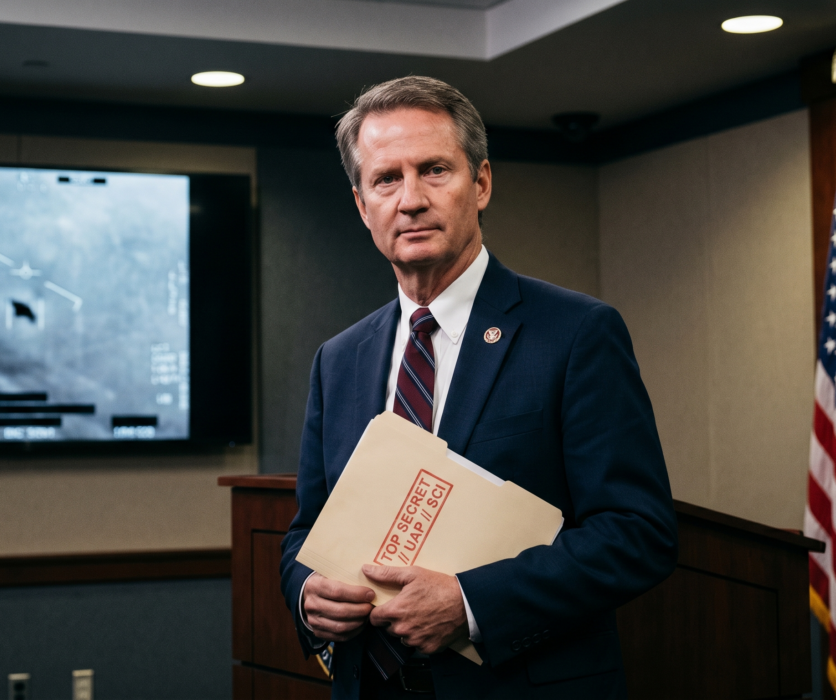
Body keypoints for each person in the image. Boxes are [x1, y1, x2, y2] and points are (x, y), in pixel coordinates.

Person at [279, 76, 678, 699]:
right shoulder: (339, 359)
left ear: (482, 183)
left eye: (434, 170)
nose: (411, 200)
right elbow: (305, 532)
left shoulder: (576, 333)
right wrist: (306, 591)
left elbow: (638, 533)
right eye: (386, 179)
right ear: (362, 205)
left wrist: (470, 603)